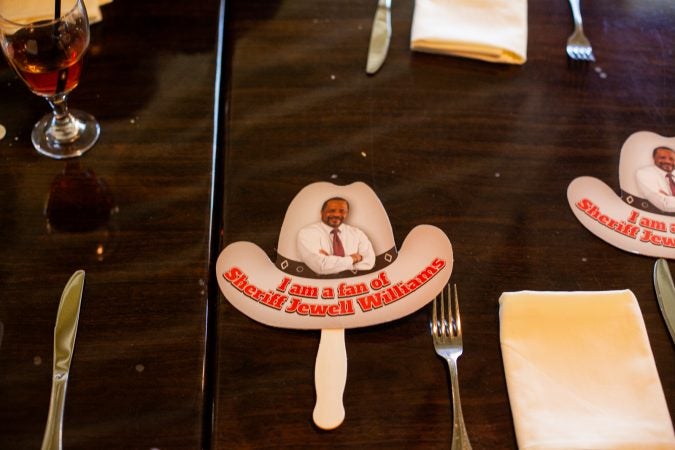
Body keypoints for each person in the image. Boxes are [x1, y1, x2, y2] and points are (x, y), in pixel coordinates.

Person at [297, 197, 375, 276]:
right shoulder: (307, 233)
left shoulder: (358, 233)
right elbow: (321, 265)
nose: (337, 214)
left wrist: (331, 262)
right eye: (332, 211)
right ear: (322, 212)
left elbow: (369, 263)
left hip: (352, 286)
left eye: (342, 211)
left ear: (347, 214)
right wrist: (353, 259)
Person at [636, 146, 675, 213]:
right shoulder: (645, 173)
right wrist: (666, 200)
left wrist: (669, 198)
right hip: (657, 218)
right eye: (663, 158)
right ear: (654, 158)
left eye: (671, 159)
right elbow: (665, 204)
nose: (668, 161)